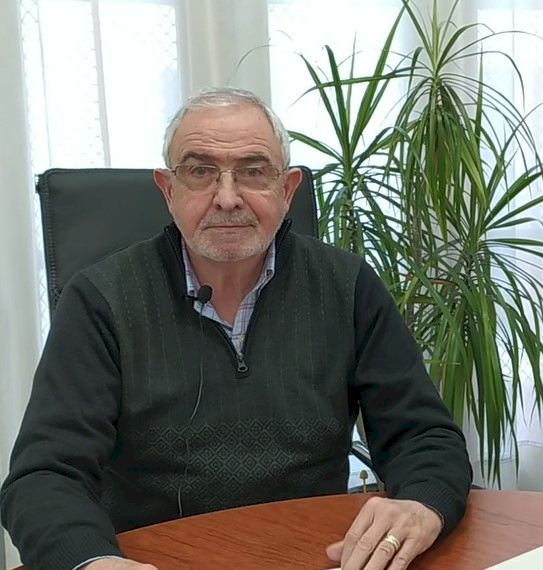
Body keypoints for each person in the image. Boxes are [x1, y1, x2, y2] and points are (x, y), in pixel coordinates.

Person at [0, 88, 472, 570]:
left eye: (253, 171)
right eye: (200, 171)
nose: (227, 199)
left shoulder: (346, 285)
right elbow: (44, 477)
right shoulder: (101, 299)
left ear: (287, 190)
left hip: (317, 556)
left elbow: (423, 436)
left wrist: (421, 504)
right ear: (168, 190)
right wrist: (95, 561)